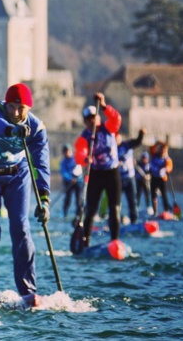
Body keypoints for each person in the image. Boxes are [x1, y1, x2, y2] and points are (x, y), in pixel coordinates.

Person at [0, 83, 50, 303]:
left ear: (28, 108)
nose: (15, 113)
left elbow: (41, 165)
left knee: (21, 227)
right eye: (12, 107)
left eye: (21, 108)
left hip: (18, 176)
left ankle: (27, 291)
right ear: (6, 104)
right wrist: (13, 130)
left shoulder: (36, 128)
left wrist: (44, 200)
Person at [74, 92, 122, 248]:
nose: (92, 121)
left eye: (94, 117)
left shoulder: (109, 128)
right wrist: (84, 159)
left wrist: (103, 106)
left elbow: (116, 119)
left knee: (114, 209)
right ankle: (85, 243)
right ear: (85, 122)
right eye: (88, 119)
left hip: (112, 172)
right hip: (95, 173)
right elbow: (79, 153)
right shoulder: (84, 136)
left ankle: (114, 241)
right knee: (91, 209)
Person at [116, 129, 145, 224]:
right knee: (116, 202)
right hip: (118, 179)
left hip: (129, 178)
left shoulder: (127, 145)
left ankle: (134, 221)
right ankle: (115, 221)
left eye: (118, 137)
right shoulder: (111, 148)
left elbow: (137, 142)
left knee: (132, 201)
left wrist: (141, 134)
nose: (117, 140)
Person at [149, 141, 173, 217]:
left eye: (165, 150)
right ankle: (155, 211)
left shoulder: (167, 159)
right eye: (162, 149)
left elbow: (170, 167)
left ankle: (166, 210)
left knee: (164, 195)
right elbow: (151, 148)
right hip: (154, 178)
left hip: (162, 179)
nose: (163, 151)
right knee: (153, 195)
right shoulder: (154, 155)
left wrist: (166, 169)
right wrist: (158, 143)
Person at [59, 143, 83, 220]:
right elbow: (64, 173)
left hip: (78, 183)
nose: (67, 152)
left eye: (68, 150)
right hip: (68, 183)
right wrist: (70, 179)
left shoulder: (76, 159)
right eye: (65, 151)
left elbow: (80, 170)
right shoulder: (63, 162)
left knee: (78, 200)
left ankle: (79, 215)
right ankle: (64, 214)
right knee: (67, 200)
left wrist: (77, 178)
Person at [135, 151, 153, 216]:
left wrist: (148, 177)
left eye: (146, 158)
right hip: (139, 181)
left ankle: (149, 207)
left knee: (147, 194)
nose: (144, 159)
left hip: (146, 182)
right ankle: (136, 206)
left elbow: (151, 173)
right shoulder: (138, 164)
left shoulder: (149, 165)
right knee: (138, 194)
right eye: (143, 158)